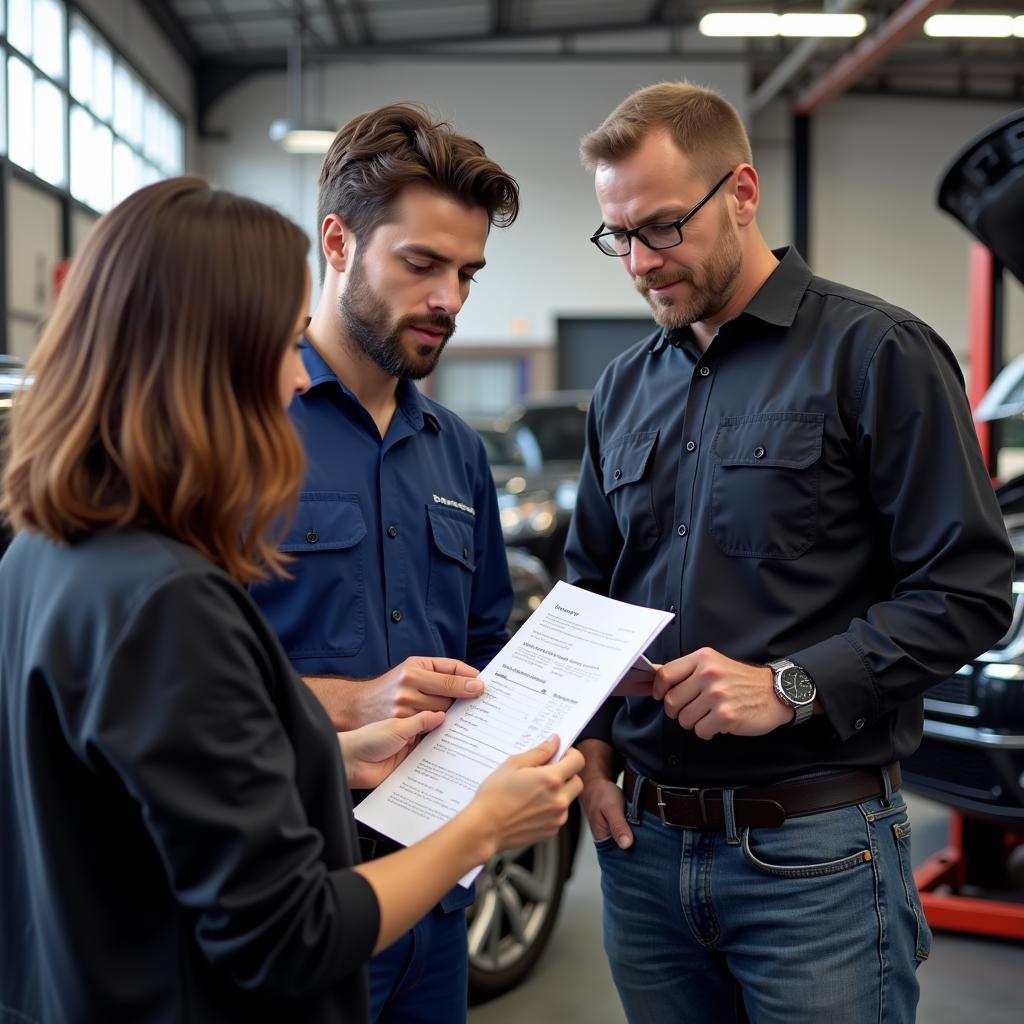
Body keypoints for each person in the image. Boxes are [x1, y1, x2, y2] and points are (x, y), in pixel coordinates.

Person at [0, 177, 584, 1024]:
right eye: (280, 344)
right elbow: (289, 932)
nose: (293, 377)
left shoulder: (40, 556)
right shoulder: (165, 598)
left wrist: (327, 751)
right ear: (208, 362)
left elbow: (139, 768)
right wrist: (482, 829)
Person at [565, 81, 1014, 1024]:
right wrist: (595, 749)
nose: (642, 265)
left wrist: (789, 686)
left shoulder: (878, 354)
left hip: (814, 860)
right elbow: (589, 591)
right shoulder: (620, 390)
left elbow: (970, 592)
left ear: (740, 192)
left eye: (662, 228)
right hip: (642, 858)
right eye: (619, 237)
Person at [249, 102, 518, 1022]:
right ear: (337, 241)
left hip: (434, 899)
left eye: (467, 272)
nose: (449, 297)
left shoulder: (458, 453)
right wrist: (347, 703)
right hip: (289, 893)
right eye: (421, 264)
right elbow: (171, 680)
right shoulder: (240, 426)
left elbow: (482, 648)